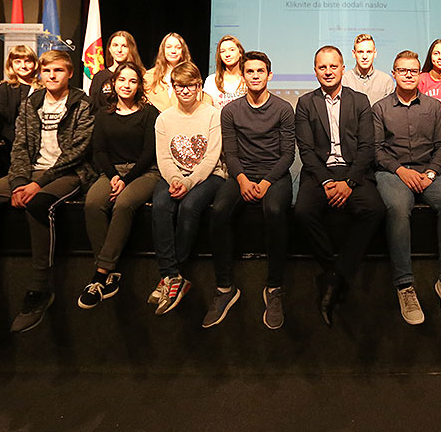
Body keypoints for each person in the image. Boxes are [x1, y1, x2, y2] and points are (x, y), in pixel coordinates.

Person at [0, 50, 96, 333]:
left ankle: (40, 289)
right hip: (29, 172)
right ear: (40, 74)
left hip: (68, 173)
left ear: (70, 73)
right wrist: (18, 182)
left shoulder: (81, 103)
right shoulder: (32, 102)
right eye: (47, 71)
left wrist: (37, 184)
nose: (52, 76)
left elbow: (77, 151)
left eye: (58, 70)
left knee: (38, 205)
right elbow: (20, 146)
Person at [294, 46, 386, 326]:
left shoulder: (360, 101)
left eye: (333, 66)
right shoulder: (305, 103)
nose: (328, 72)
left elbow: (367, 147)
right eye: (322, 67)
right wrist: (326, 180)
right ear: (315, 71)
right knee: (302, 211)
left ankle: (338, 273)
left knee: (374, 209)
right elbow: (306, 150)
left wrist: (348, 182)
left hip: (353, 171)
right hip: (319, 172)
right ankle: (332, 269)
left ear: (343, 68)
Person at [206, 51, 295, 330]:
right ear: (243, 76)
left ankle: (274, 287)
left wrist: (266, 182)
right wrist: (243, 181)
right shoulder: (230, 111)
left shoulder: (283, 108)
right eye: (250, 71)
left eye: (260, 71)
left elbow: (287, 155)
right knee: (219, 211)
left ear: (269, 75)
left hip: (274, 175)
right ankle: (224, 288)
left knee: (275, 210)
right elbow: (231, 154)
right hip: (242, 174)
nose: (255, 76)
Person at [373, 50, 441, 325]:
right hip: (393, 172)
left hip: (428, 171)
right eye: (403, 70)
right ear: (394, 74)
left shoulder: (434, 107)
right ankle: (405, 286)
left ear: (419, 74)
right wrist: (401, 171)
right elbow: (376, 150)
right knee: (398, 208)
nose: (408, 75)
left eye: (413, 71)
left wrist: (431, 173)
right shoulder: (380, 108)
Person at [79, 62, 161, 310]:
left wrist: (126, 179)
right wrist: (114, 176)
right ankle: (110, 273)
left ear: (139, 86)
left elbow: (149, 152)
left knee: (123, 204)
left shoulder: (150, 113)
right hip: (112, 172)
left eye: (133, 81)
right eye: (122, 80)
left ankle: (100, 274)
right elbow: (100, 151)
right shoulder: (104, 115)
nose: (127, 85)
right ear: (113, 83)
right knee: (93, 203)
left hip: (145, 172)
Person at [150, 61, 227, 315]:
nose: (185, 91)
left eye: (190, 86)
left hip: (210, 176)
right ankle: (172, 276)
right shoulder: (164, 119)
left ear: (198, 86)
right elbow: (164, 158)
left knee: (190, 205)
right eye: (179, 86)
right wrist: (175, 179)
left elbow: (211, 157)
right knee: (160, 205)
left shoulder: (212, 114)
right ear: (173, 87)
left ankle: (172, 274)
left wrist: (188, 183)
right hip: (173, 176)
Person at [0, 45, 42, 172]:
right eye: (18, 61)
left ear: (35, 63)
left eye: (27, 61)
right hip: (10, 147)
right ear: (11, 65)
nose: (23, 66)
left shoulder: (43, 88)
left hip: (40, 145)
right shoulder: (5, 88)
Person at [88, 31, 144, 113]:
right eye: (115, 45)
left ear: (131, 49)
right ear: (109, 49)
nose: (119, 50)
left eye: (124, 46)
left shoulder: (141, 74)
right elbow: (94, 106)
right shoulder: (100, 77)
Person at [341, 33, 395, 105]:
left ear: (375, 53)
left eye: (369, 52)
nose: (365, 56)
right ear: (354, 54)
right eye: (360, 52)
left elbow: (389, 109)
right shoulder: (344, 80)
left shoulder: (386, 81)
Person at [143, 32, 190, 112]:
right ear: (163, 50)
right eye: (169, 47)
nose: (173, 51)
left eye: (178, 47)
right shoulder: (149, 76)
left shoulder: (190, 76)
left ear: (183, 51)